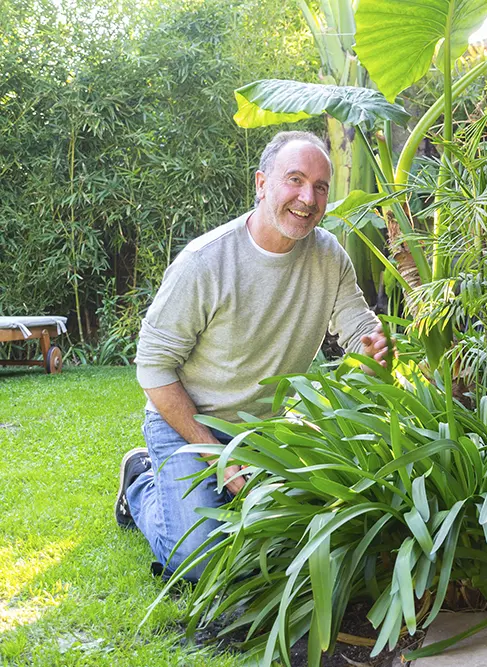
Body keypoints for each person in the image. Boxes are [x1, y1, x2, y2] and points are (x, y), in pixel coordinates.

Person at [114, 131, 389, 580]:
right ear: (262, 184)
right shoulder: (204, 262)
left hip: (263, 429)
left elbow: (359, 330)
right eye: (295, 180)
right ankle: (141, 482)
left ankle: (201, 491)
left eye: (320, 186)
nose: (308, 197)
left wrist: (376, 348)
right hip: (186, 424)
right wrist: (213, 454)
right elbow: (153, 367)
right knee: (200, 560)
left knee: (286, 542)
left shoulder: (328, 257)